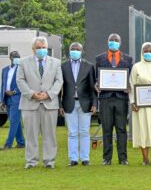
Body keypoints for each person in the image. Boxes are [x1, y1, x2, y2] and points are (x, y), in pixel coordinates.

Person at [16, 37, 63, 169]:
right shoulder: (23, 62)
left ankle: (49, 161)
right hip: (29, 104)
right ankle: (31, 161)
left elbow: (59, 81)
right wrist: (32, 94)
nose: (41, 50)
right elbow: (20, 81)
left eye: (43, 48)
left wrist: (48, 94)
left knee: (50, 135)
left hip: (49, 104)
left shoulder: (56, 63)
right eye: (38, 48)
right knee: (31, 135)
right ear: (33, 49)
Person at [95, 33, 133, 165]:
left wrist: (128, 86)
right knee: (106, 128)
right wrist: (97, 84)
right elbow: (96, 77)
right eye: (111, 40)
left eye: (116, 40)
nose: (114, 42)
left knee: (121, 128)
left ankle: (123, 158)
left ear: (120, 42)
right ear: (107, 41)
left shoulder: (128, 59)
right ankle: (107, 158)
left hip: (121, 98)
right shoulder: (99, 58)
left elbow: (130, 79)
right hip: (105, 98)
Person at [60, 42, 97, 166]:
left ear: (82, 51)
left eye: (77, 49)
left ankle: (85, 158)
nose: (74, 51)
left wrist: (94, 103)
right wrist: (60, 105)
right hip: (69, 103)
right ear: (69, 51)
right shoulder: (63, 66)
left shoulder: (89, 66)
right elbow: (61, 87)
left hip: (85, 103)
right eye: (72, 49)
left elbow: (93, 87)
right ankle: (73, 159)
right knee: (72, 132)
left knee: (85, 131)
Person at [1, 51, 25, 150]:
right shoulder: (5, 70)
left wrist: (14, 92)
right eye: (15, 57)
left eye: (18, 56)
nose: (17, 58)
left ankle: (8, 144)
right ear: (10, 57)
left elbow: (24, 83)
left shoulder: (22, 69)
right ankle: (21, 142)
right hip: (6, 98)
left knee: (13, 122)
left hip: (17, 98)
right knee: (15, 121)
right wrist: (1, 99)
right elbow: (2, 85)